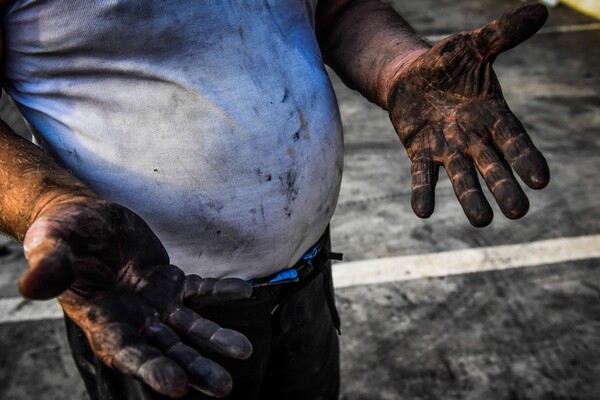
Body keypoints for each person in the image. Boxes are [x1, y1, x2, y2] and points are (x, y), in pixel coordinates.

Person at [0, 1, 550, 399]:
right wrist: (47, 201)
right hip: (150, 306)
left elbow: (333, 7)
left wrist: (399, 68)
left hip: (305, 277)